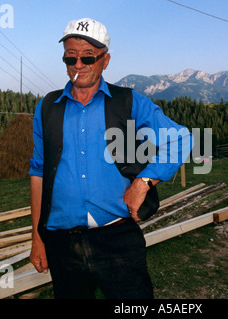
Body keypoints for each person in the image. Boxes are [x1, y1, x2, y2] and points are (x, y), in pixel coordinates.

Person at [29, 18, 192, 299]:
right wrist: (37, 238)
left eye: (88, 58)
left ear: (105, 60)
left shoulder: (128, 102)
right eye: (71, 58)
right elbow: (38, 172)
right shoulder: (47, 108)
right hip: (61, 244)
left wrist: (143, 183)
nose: (78, 65)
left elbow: (181, 138)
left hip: (117, 239)